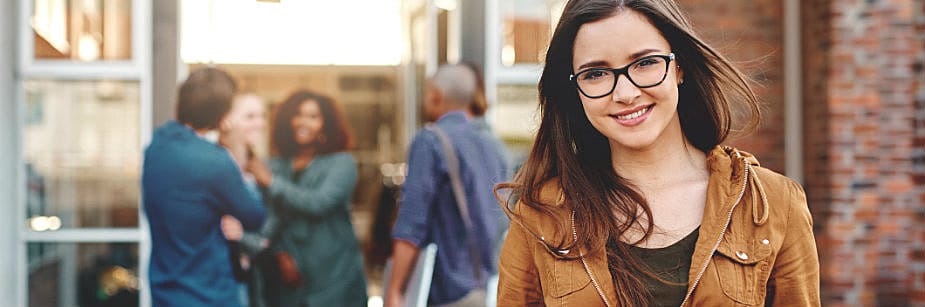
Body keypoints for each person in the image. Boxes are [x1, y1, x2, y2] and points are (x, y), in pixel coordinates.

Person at [494, 1, 820, 306]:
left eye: (645, 63)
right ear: (575, 89)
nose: (625, 93)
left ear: (679, 67)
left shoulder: (775, 205)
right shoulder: (540, 215)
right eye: (595, 73)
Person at [142, 67, 266, 307]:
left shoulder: (156, 147)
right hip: (207, 294)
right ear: (222, 115)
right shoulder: (215, 161)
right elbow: (254, 217)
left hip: (165, 292)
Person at [386, 64, 508, 307]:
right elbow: (503, 219)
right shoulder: (495, 145)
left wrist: (394, 290)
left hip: (443, 290)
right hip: (484, 288)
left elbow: (412, 223)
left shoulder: (429, 141)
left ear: (435, 95)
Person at [245, 90, 368, 307]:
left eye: (313, 116)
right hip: (289, 284)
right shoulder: (276, 165)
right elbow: (271, 218)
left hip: (335, 279)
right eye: (298, 114)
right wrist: (281, 253)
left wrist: (271, 182)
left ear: (326, 124)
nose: (303, 122)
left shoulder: (342, 163)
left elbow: (319, 203)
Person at [217, 93, 268, 306]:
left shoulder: (259, 168)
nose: (260, 123)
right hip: (223, 279)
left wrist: (243, 237)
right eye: (250, 116)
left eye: (262, 116)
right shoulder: (215, 163)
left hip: (253, 280)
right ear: (228, 120)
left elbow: (265, 235)